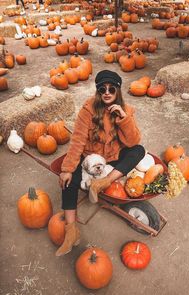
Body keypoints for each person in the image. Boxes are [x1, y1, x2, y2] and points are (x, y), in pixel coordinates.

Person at [56, 70, 145, 256]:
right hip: (90, 157)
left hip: (113, 157)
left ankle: (103, 182)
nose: (106, 92)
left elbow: (132, 141)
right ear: (97, 91)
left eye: (111, 89)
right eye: (102, 89)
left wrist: (123, 119)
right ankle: (71, 232)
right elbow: (78, 141)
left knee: (139, 150)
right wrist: (66, 169)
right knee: (69, 179)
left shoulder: (126, 110)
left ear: (117, 91)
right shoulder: (87, 110)